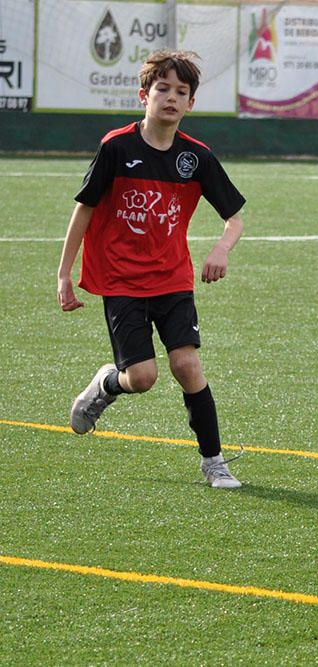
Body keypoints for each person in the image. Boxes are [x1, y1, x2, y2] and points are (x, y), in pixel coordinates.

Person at [57, 50, 245, 489]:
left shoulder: (196, 158)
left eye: (182, 91)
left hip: (172, 278)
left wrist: (221, 249)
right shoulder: (117, 147)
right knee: (142, 378)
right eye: (163, 88)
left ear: (191, 104)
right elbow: (83, 210)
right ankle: (107, 384)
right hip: (121, 280)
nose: (172, 97)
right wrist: (64, 274)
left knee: (187, 366)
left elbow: (234, 218)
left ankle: (214, 461)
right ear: (145, 95)